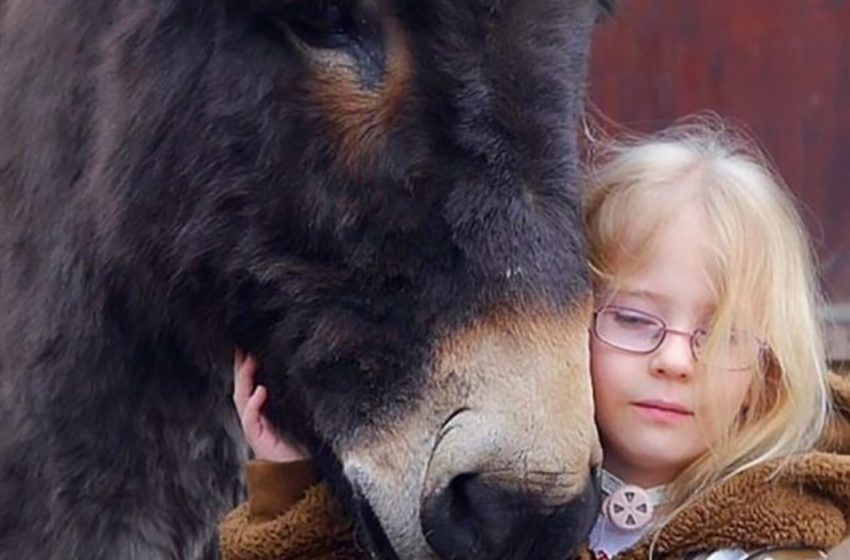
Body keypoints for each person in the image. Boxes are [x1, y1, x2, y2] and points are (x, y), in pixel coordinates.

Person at [219, 120, 850, 560]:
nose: (675, 360)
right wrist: (294, 486)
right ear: (567, 321)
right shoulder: (489, 499)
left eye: (724, 336)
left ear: (767, 372)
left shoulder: (779, 533)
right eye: (633, 320)